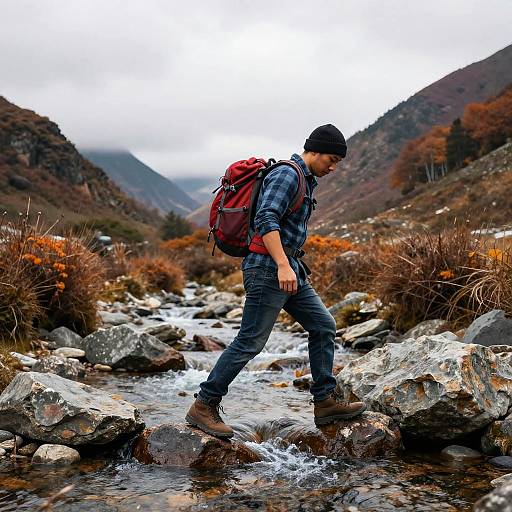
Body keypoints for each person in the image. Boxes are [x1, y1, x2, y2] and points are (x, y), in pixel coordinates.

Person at [186, 124, 366, 438]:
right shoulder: (288, 174)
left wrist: (290, 265)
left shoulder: (307, 180)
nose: (334, 167)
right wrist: (283, 265)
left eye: (339, 160)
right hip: (269, 269)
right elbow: (265, 218)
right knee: (251, 341)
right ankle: (204, 404)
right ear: (314, 150)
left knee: (323, 325)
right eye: (331, 158)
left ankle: (325, 401)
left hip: (289, 267)